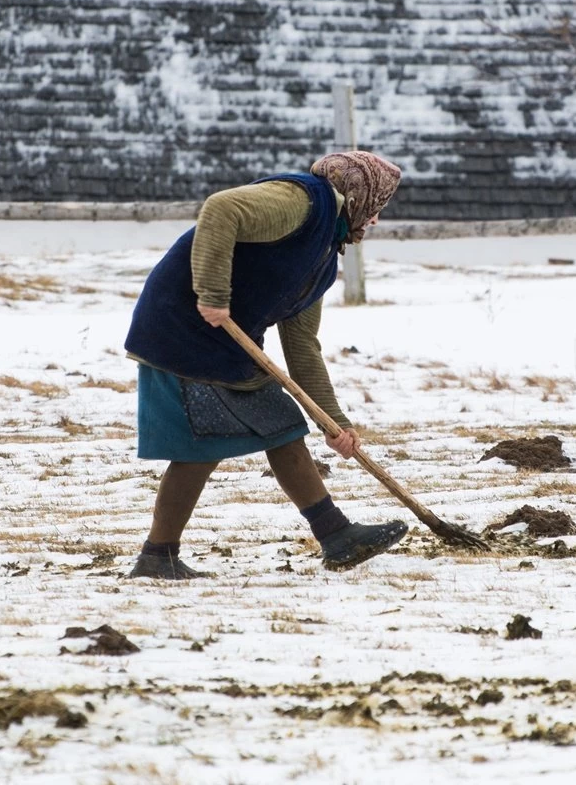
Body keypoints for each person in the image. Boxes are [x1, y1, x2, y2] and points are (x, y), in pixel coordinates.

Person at [122, 151, 409, 580]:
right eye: (377, 207)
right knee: (199, 447)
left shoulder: (322, 257)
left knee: (283, 428)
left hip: (225, 341)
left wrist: (335, 423)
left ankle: (337, 536)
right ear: (358, 195)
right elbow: (222, 209)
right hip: (182, 328)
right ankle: (157, 556)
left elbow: (302, 347)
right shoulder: (302, 202)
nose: (375, 220)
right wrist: (213, 294)